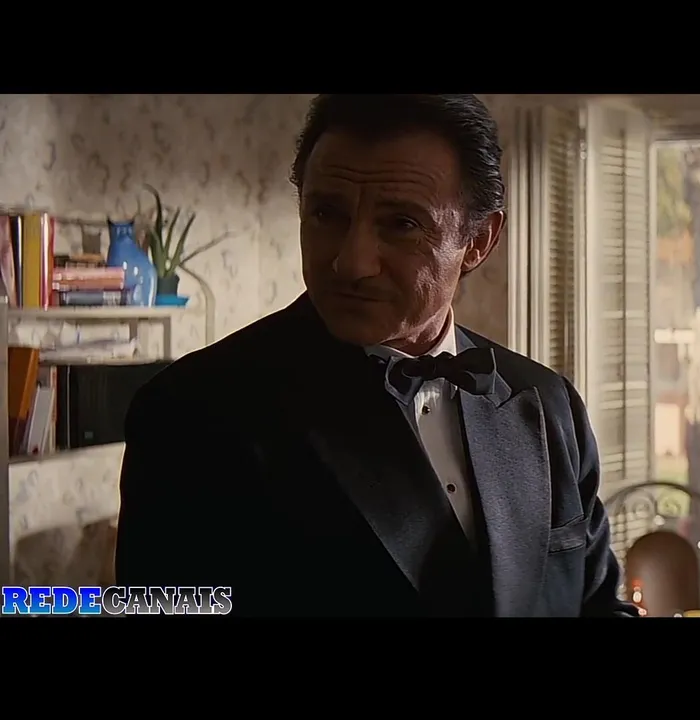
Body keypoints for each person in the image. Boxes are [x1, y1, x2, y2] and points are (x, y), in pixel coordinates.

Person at [115, 94, 636, 618]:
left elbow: (597, 606)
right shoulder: (190, 413)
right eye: (327, 214)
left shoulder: (546, 403)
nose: (351, 262)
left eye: (401, 223)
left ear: (478, 241)